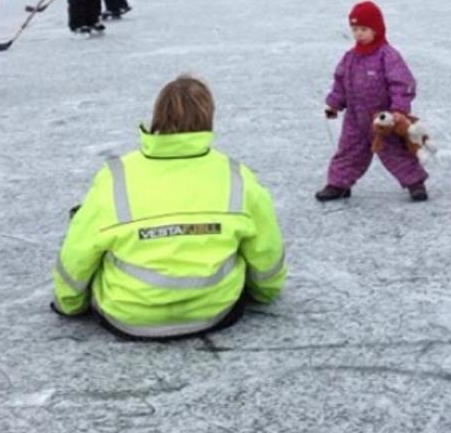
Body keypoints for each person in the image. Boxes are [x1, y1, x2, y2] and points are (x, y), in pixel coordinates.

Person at [50, 75, 287, 339]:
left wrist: (69, 304)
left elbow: (78, 251)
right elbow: (266, 248)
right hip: (213, 310)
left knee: (87, 222)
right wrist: (265, 292)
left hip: (129, 313)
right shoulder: (235, 175)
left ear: (157, 114)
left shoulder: (116, 175)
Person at [317, 1, 430, 202]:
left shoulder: (387, 55)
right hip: (355, 118)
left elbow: (402, 82)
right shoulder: (350, 58)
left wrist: (399, 109)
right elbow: (340, 81)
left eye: (364, 29)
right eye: (354, 29)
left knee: (395, 152)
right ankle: (338, 184)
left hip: (382, 119)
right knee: (348, 151)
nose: (359, 34)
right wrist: (334, 103)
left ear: (377, 29)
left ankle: (415, 183)